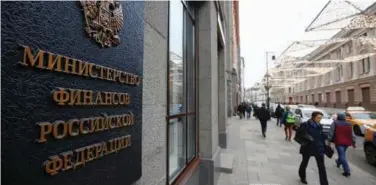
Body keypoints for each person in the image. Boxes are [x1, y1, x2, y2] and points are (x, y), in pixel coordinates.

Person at [298, 111, 328, 185]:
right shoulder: (305, 124)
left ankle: (324, 183)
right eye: (318, 118)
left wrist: (325, 137)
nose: (319, 119)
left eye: (321, 118)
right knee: (304, 163)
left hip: (319, 148)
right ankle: (302, 176)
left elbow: (321, 135)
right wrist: (309, 138)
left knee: (322, 167)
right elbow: (300, 134)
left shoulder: (319, 125)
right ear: (313, 117)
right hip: (308, 147)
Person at [327, 112, 356, 177]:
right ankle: (338, 162)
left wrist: (328, 141)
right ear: (344, 117)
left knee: (342, 155)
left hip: (339, 142)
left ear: (338, 117)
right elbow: (352, 134)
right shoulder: (349, 124)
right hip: (347, 142)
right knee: (342, 154)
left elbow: (330, 133)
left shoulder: (335, 123)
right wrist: (353, 142)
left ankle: (347, 171)